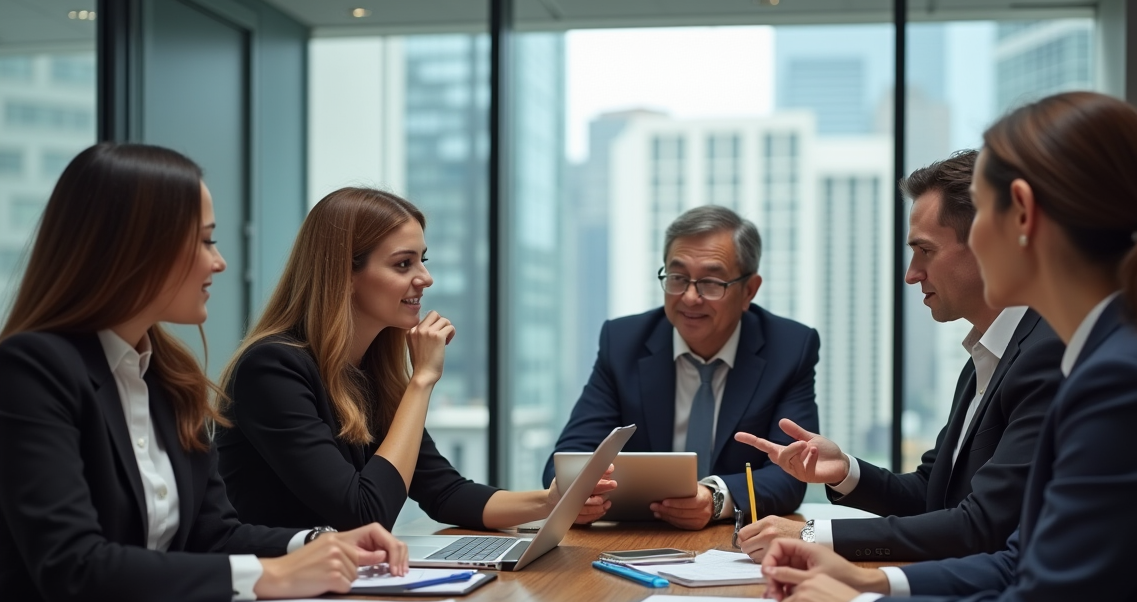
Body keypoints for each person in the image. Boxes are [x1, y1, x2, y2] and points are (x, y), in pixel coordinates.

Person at [742, 92, 1137, 602]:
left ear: (1022, 214)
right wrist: (870, 582)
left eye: (981, 213)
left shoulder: (1123, 379)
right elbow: (1021, 559)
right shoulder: (1110, 355)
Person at [0, 144, 407, 602]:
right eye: (206, 241)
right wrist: (272, 575)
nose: (219, 261)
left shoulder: (169, 378)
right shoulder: (31, 369)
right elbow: (74, 567)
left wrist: (316, 544)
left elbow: (213, 535)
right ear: (135, 246)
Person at [217, 187, 614, 532]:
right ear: (345, 274)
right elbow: (364, 515)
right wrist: (422, 379)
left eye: (423, 259)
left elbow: (445, 492)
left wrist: (553, 501)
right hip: (276, 589)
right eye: (403, 264)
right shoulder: (271, 369)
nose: (425, 277)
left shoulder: (370, 373)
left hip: (340, 582)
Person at [736, 151, 1063, 562]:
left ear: (987, 246)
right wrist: (845, 470)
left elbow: (981, 525)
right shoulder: (985, 354)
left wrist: (812, 533)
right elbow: (932, 494)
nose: (911, 274)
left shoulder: (1045, 353)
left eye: (925, 250)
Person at [544, 205, 820, 530]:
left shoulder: (789, 349)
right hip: (636, 538)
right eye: (677, 278)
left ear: (749, 290)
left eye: (711, 282)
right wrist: (577, 493)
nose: (689, 297)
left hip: (736, 541)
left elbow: (791, 473)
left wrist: (715, 497)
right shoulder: (622, 343)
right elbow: (567, 460)